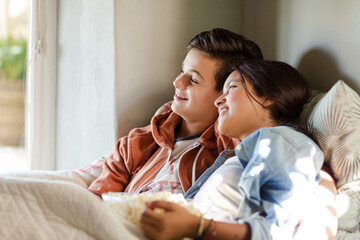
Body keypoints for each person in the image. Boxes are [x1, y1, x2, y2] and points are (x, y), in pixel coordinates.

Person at [140, 60, 327, 240]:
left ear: (269, 96)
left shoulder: (281, 142)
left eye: (232, 88)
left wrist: (198, 227)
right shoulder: (242, 155)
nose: (218, 101)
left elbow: (274, 233)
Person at [88, 28, 264, 197]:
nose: (177, 82)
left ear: (225, 94)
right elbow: (93, 204)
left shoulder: (228, 148)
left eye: (193, 79)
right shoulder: (137, 144)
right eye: (182, 71)